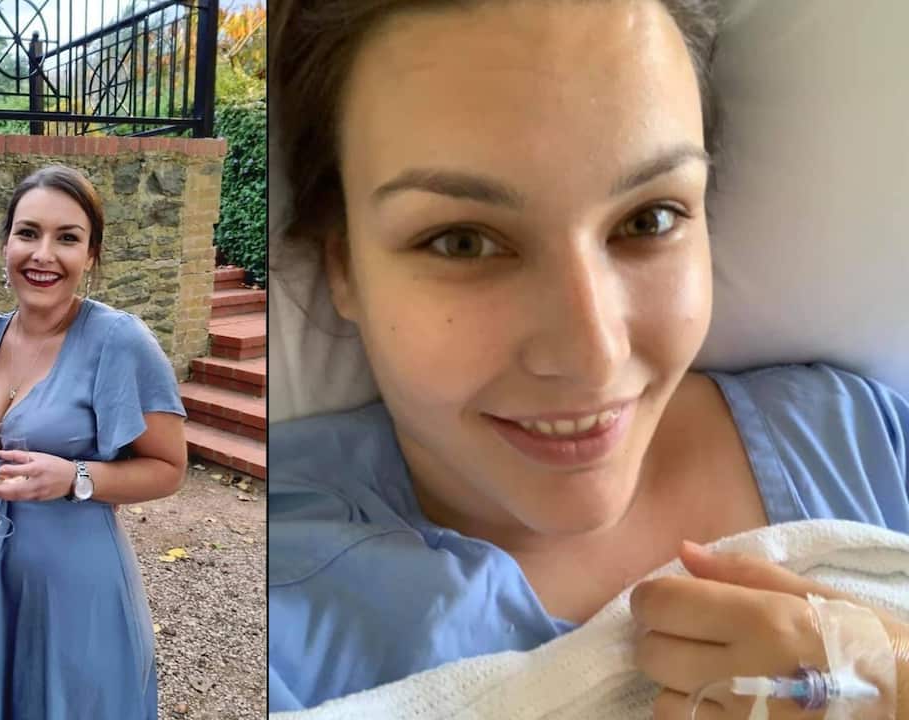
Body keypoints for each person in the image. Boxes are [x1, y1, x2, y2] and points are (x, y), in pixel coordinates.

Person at [266, 0, 909, 716]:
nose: (593, 356)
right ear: (342, 266)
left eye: (649, 219)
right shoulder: (278, 587)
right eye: (463, 241)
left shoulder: (860, 441)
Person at [0, 164, 188, 719]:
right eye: (28, 232)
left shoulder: (119, 340)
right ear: (6, 242)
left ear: (91, 255)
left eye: (67, 238)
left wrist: (76, 478)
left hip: (77, 588)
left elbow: (169, 466)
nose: (43, 254)